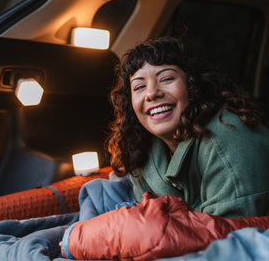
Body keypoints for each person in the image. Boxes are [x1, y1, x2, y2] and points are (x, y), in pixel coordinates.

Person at [106, 35, 269, 218]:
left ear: (194, 85)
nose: (151, 93)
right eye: (139, 87)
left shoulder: (229, 138)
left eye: (166, 78)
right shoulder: (140, 149)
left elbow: (232, 235)